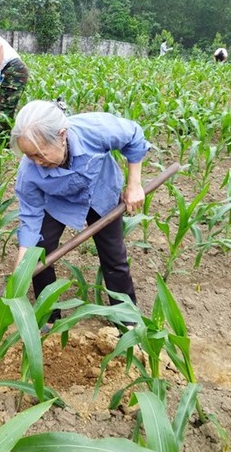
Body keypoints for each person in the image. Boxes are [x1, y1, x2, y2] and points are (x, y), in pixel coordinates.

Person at [10, 100, 150, 326]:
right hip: (59, 201)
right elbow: (30, 217)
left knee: (114, 257)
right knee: (39, 255)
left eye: (40, 154)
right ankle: (48, 319)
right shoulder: (29, 172)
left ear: (62, 135)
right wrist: (23, 264)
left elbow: (133, 136)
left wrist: (134, 184)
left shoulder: (94, 129)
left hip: (101, 192)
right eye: (30, 156)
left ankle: (127, 320)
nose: (36, 161)